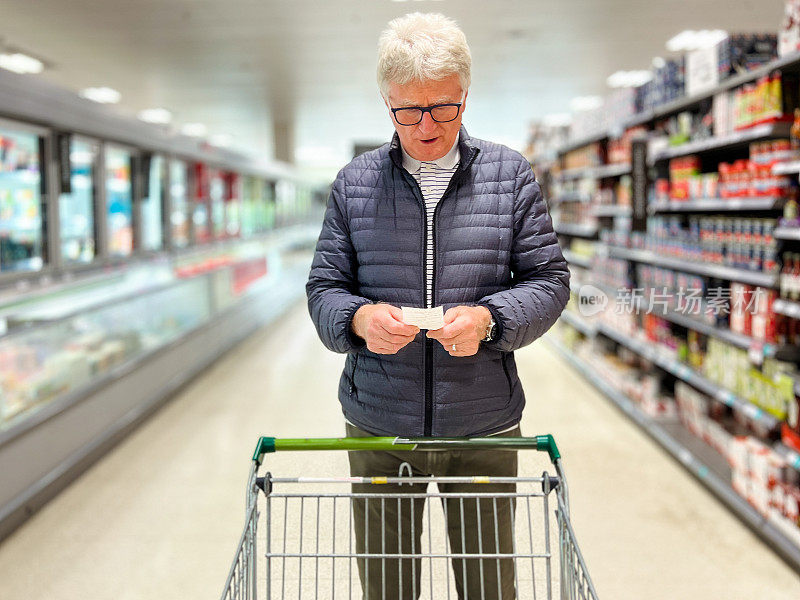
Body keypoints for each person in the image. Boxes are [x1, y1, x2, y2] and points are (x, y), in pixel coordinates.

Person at [306, 12, 569, 599]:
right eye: (408, 111)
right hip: (379, 422)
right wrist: (356, 320)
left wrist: (492, 320)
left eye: (443, 108)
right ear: (387, 103)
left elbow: (549, 281)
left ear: (465, 97)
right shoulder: (354, 185)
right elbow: (323, 290)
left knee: (487, 584)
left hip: (483, 423)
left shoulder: (510, 176)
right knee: (387, 585)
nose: (426, 126)